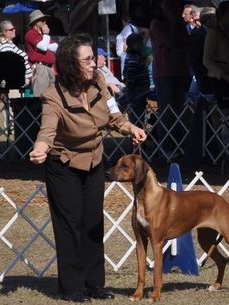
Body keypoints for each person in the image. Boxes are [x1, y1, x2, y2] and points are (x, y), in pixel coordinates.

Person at [29, 33, 146, 303]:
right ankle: (72, 288)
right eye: (88, 59)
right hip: (64, 164)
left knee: (93, 223)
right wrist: (40, 149)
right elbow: (47, 130)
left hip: (94, 161)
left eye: (93, 58)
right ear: (71, 64)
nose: (95, 63)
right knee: (70, 225)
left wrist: (131, 127)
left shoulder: (99, 83)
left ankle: (95, 284)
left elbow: (115, 116)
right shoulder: (53, 97)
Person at [149, 0, 191, 157]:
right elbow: (171, 42)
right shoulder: (157, 24)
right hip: (164, 72)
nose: (174, 7)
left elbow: (188, 42)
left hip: (181, 71)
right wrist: (174, 23)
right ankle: (166, 147)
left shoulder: (181, 24)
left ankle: (179, 144)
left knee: (180, 110)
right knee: (167, 110)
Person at [25, 10, 58, 97]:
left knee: (51, 97)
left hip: (49, 68)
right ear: (36, 22)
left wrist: (45, 42)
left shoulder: (43, 36)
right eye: (42, 20)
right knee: (40, 96)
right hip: (40, 68)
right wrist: (46, 35)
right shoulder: (30, 33)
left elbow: (55, 47)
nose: (45, 22)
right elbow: (43, 47)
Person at [122, 32, 150, 126]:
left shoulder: (136, 56)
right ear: (133, 45)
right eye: (140, 43)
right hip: (137, 91)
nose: (142, 44)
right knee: (137, 115)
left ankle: (139, 133)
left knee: (140, 114)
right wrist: (130, 87)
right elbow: (131, 75)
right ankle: (136, 134)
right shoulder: (133, 58)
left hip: (140, 90)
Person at [0, 20, 33, 85]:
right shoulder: (5, 46)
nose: (14, 30)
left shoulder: (9, 44)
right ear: (4, 32)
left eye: (14, 28)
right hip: (14, 83)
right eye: (11, 29)